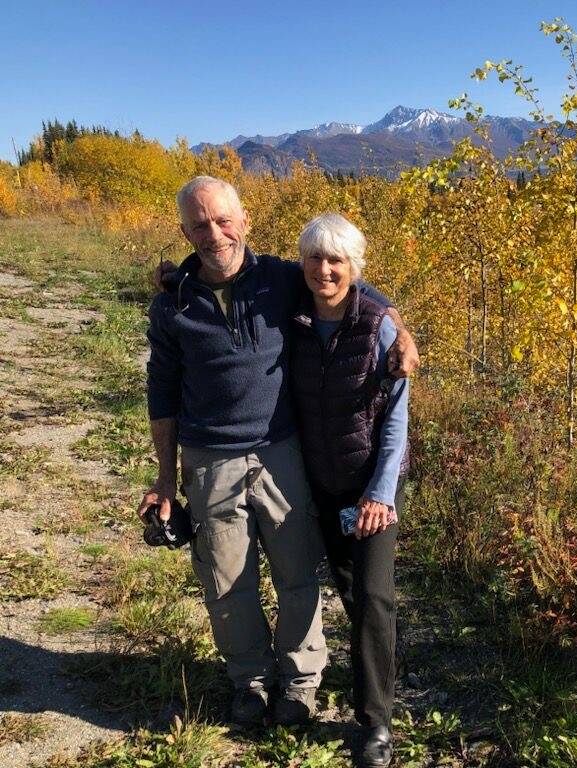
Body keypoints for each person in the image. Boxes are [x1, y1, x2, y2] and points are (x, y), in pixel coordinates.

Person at [138, 176, 418, 727]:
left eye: (223, 220)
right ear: (184, 232)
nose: (214, 233)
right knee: (226, 580)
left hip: (281, 451)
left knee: (296, 574)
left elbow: (352, 287)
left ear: (245, 221)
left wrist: (401, 331)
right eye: (199, 224)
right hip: (209, 457)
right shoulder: (169, 304)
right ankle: (251, 682)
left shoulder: (281, 278)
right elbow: (162, 389)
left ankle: (301, 682)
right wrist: (165, 479)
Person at [290, 213, 407, 768]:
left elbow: (396, 421)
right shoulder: (291, 314)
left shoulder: (379, 325)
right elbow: (239, 268)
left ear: (354, 268)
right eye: (315, 258)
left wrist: (380, 494)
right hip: (321, 480)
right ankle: (373, 669)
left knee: (375, 597)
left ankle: (376, 723)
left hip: (371, 484)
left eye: (336, 260)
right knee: (352, 593)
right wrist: (177, 278)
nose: (324, 269)